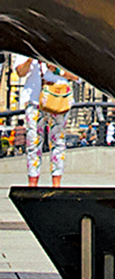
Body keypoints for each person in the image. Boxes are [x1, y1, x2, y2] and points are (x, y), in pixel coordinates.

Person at [16, 56, 71, 187]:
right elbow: (20, 72)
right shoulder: (27, 46)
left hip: (59, 99)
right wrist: (30, 59)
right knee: (33, 142)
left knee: (58, 142)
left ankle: (56, 184)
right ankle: (32, 183)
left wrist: (58, 71)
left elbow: (78, 76)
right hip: (34, 99)